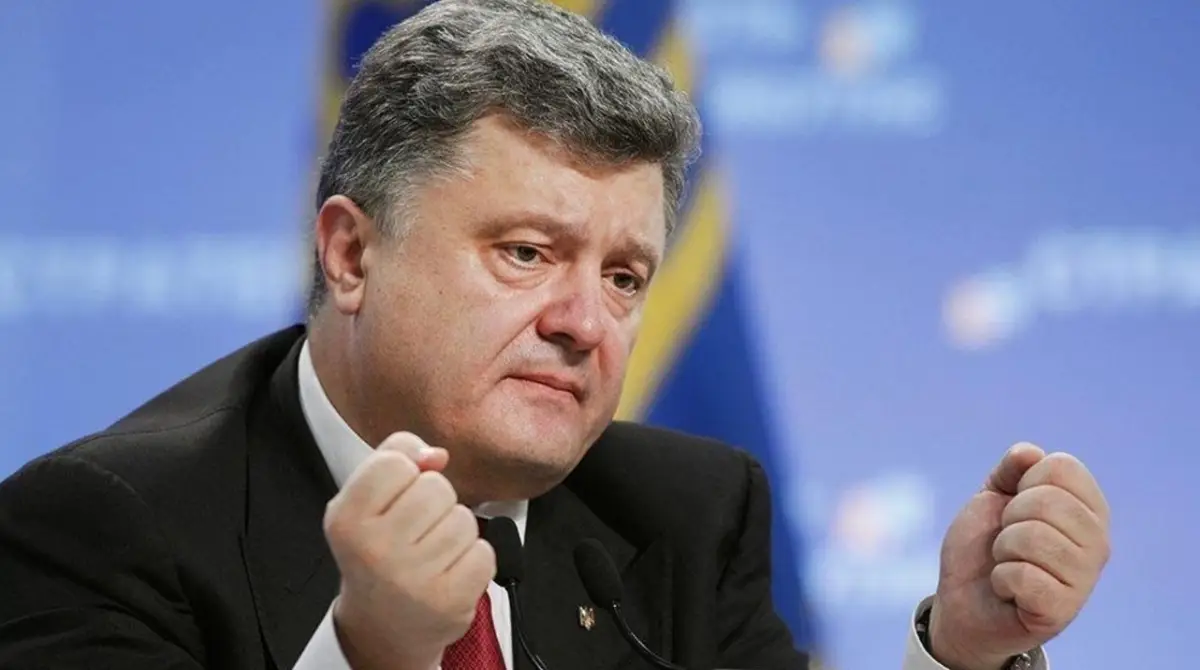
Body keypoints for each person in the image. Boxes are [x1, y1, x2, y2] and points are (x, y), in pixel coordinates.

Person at [0, 1, 1110, 669]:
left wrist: (963, 652)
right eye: (526, 253)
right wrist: (368, 658)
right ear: (350, 255)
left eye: (624, 277)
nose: (585, 323)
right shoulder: (105, 526)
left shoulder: (687, 513)